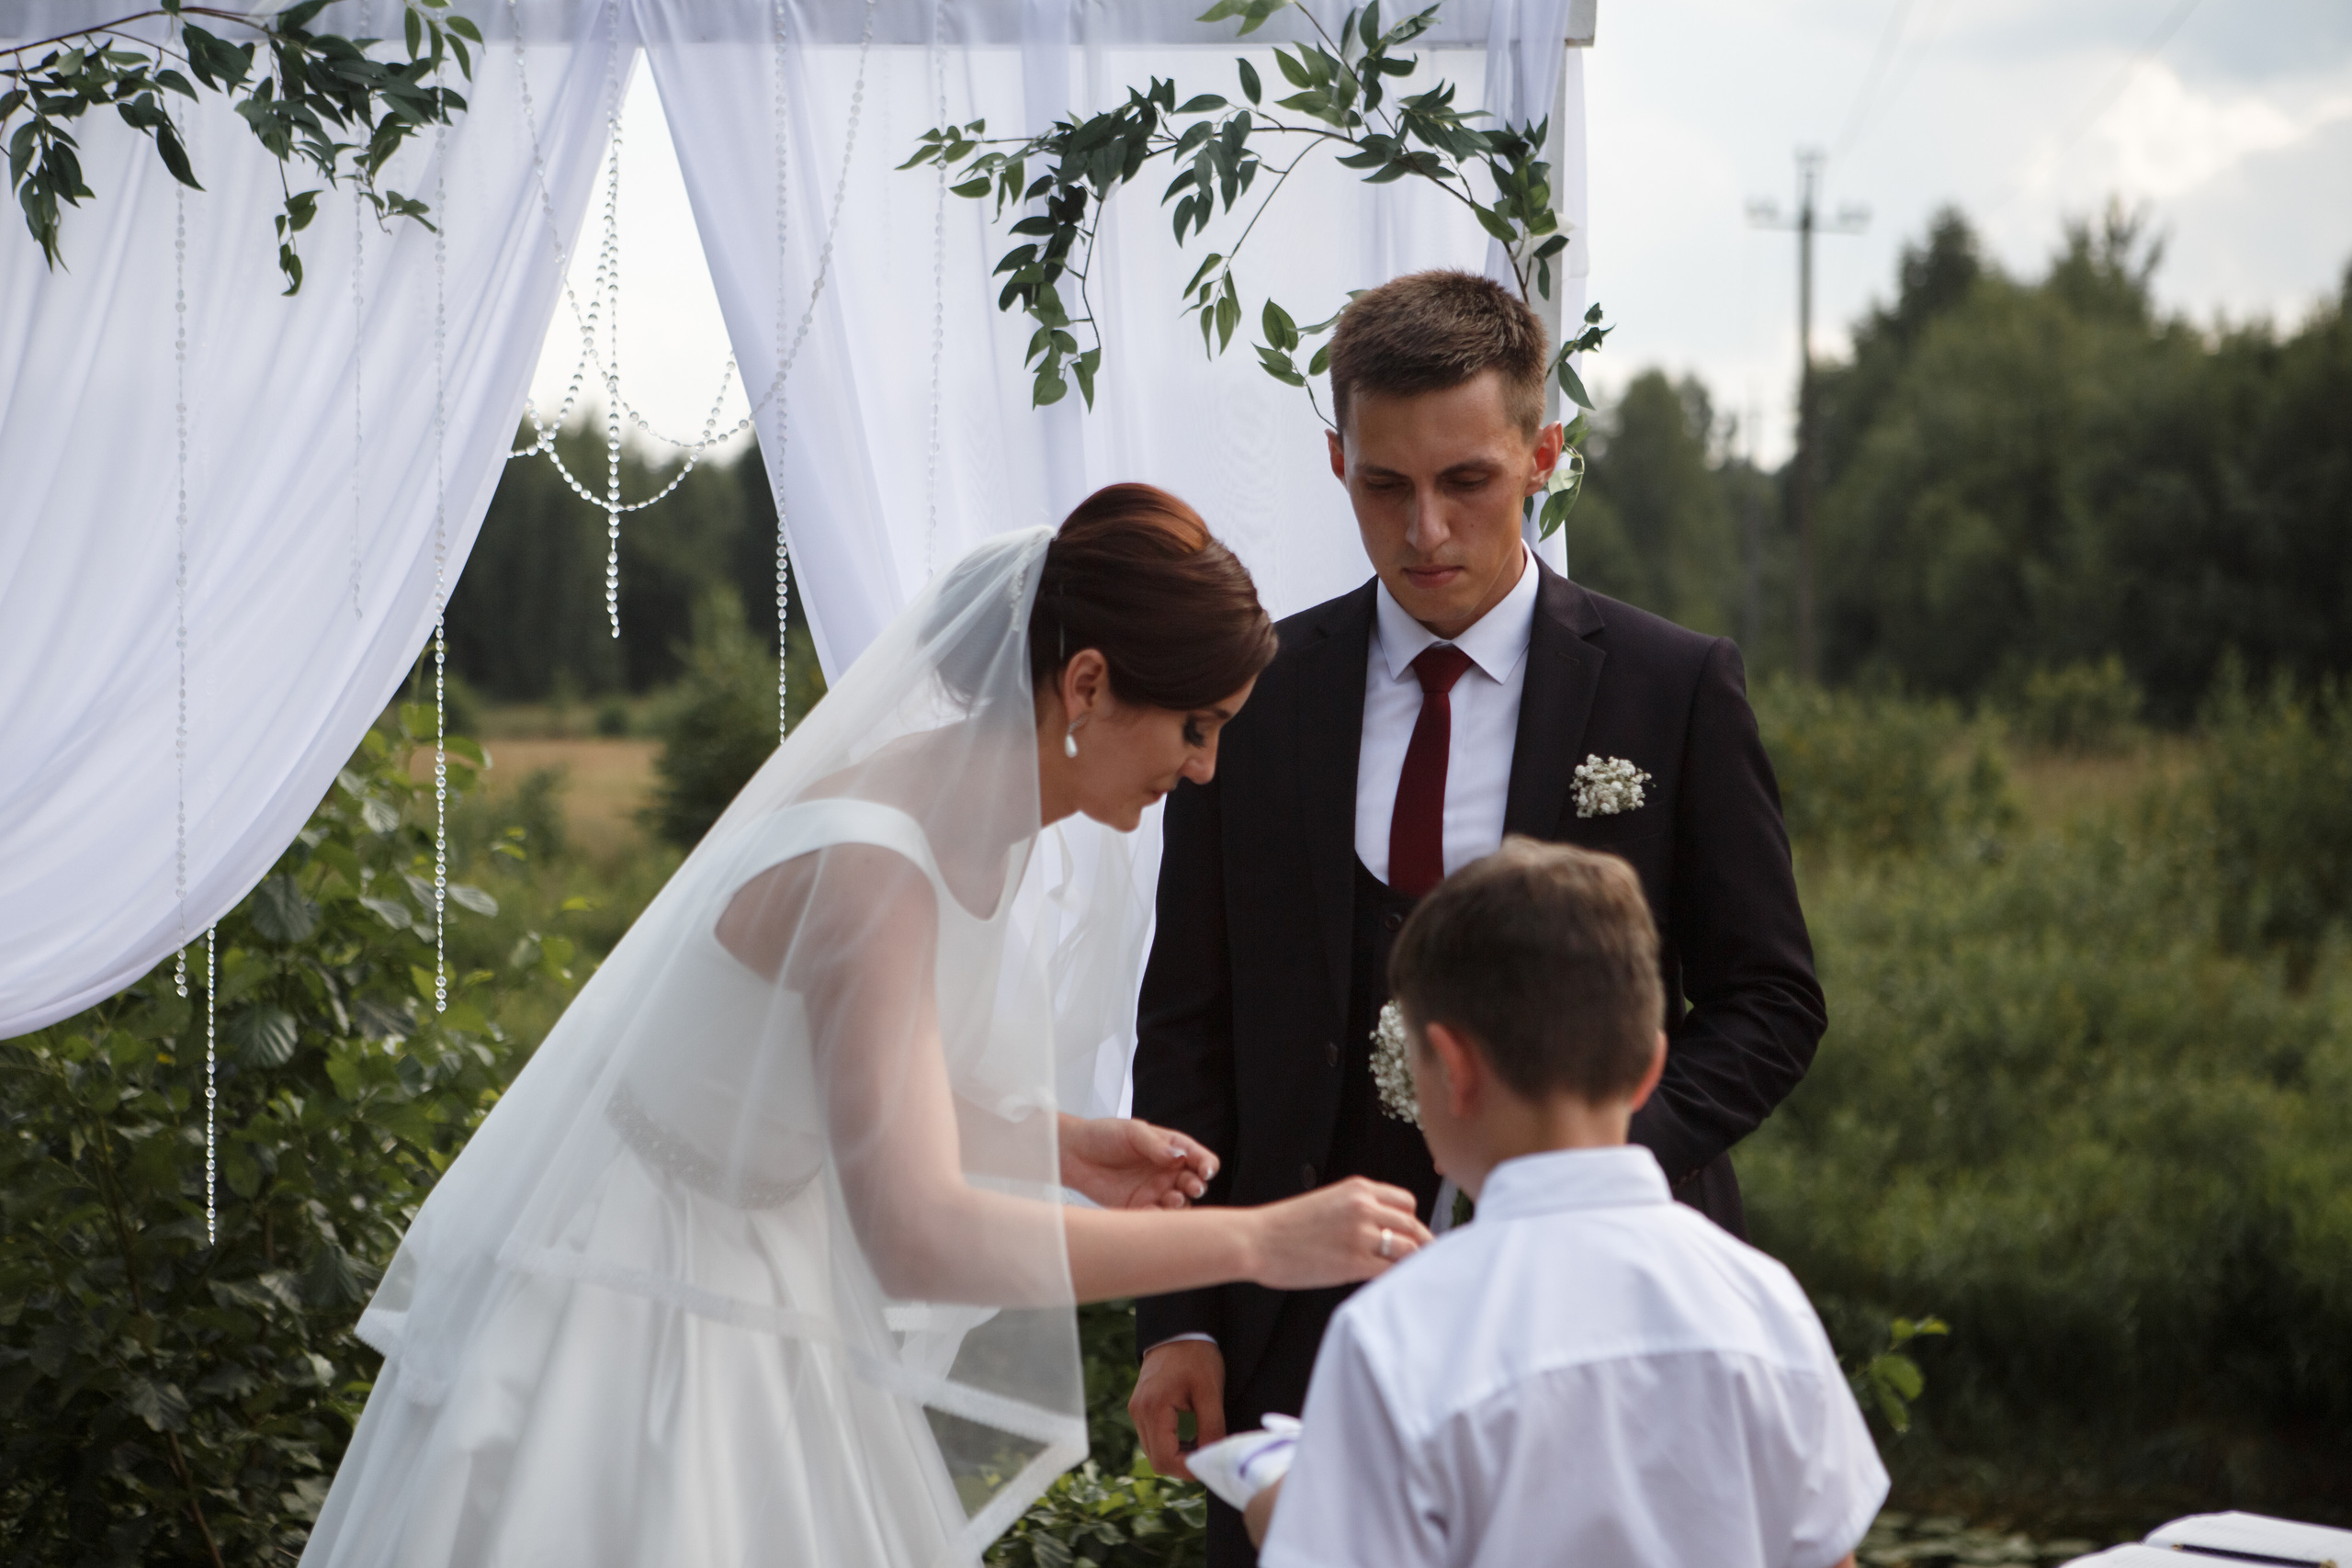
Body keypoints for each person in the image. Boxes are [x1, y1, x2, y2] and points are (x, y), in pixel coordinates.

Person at [299, 486, 1430, 1568]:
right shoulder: (872, 870)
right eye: (1195, 725)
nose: (1205, 767)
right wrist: (1261, 1240)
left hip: (771, 1271)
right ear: (1085, 683)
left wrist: (1058, 1146)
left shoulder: (985, 820)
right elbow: (914, 1232)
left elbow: (844, 1085)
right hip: (643, 1295)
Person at [1129, 268, 1828, 1562]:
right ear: (1337, 460)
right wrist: (1181, 1310)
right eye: (1383, 486)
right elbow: (1188, 1027)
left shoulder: (1672, 691)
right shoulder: (1260, 698)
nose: (1424, 529)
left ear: (1544, 456)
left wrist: (1573, 1171)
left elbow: (1775, 999)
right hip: (1296, 1328)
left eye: (1468, 481)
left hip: (1600, 1327)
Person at [1246, 839, 1885, 1568]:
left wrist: (1284, 1508)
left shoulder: (1399, 1332)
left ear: (1451, 1070)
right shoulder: (1764, 1302)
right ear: (1649, 1067)